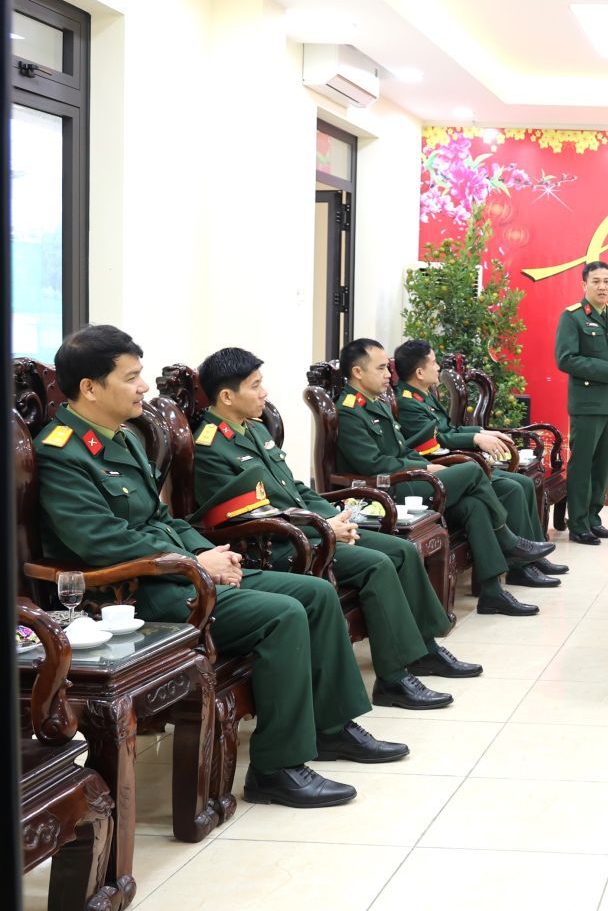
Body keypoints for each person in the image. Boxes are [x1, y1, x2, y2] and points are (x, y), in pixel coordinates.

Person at [34, 326, 408, 808]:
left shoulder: (122, 438)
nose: (143, 387)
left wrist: (214, 556)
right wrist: (195, 562)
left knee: (315, 594)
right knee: (283, 615)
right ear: (90, 387)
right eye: (131, 378)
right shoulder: (61, 451)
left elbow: (162, 518)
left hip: (178, 573)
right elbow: (101, 540)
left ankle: (332, 728)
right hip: (133, 594)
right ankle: (276, 769)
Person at [193, 347, 481, 712]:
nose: (264, 393)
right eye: (255, 386)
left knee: (402, 550)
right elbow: (249, 516)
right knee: (377, 564)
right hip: (276, 545)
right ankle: (393, 679)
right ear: (227, 396)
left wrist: (335, 518)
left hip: (309, 529)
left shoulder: (255, 429)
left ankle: (425, 649)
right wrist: (322, 527)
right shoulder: (211, 446)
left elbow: (294, 489)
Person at [334, 338, 548, 616]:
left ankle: (492, 592)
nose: (389, 374)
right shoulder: (349, 410)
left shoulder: (377, 402)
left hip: (408, 477)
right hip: (387, 489)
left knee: (474, 505)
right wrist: (424, 469)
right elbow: (374, 464)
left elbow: (403, 450)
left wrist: (425, 465)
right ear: (357, 372)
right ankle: (507, 539)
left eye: (388, 367)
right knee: (472, 469)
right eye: (381, 368)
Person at [391, 339, 566, 586]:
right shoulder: (408, 402)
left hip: (451, 461)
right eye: (434, 362)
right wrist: (475, 438)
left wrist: (481, 432)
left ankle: (531, 559)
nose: (438, 367)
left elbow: (448, 429)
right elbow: (437, 439)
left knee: (524, 483)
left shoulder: (424, 394)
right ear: (419, 372)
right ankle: (519, 565)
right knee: (513, 487)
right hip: (441, 464)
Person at [554, 260, 608, 545]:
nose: (602, 287)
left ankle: (593, 519)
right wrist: (607, 369)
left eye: (607, 281)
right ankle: (577, 523)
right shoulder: (572, 317)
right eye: (596, 281)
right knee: (583, 464)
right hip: (587, 404)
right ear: (584, 284)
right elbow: (566, 359)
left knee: (602, 465)